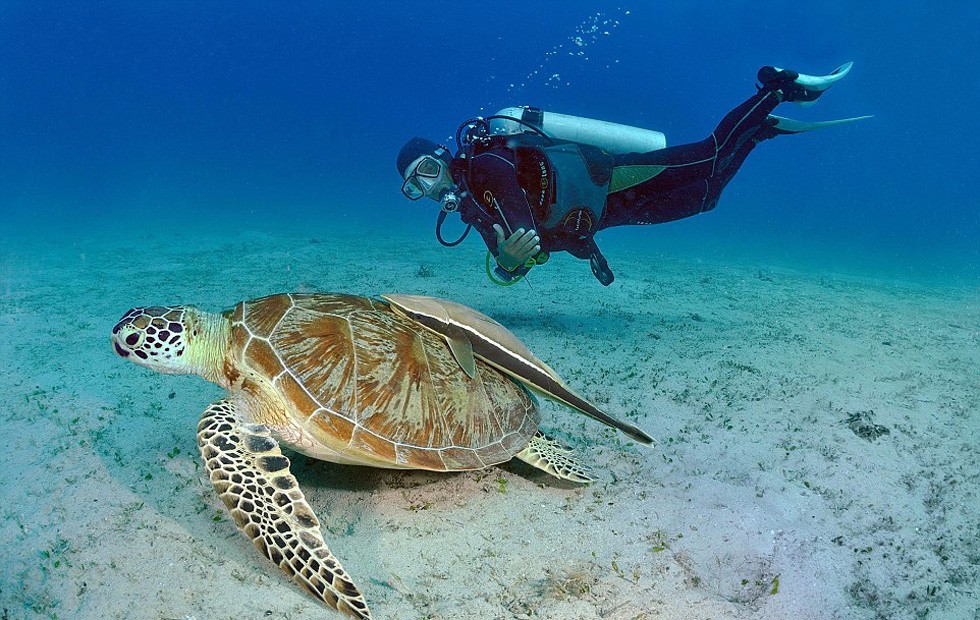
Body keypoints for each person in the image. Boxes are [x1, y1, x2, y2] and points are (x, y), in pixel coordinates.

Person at [397, 63, 868, 286]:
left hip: (614, 178)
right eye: (416, 184)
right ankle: (761, 130)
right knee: (705, 197)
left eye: (429, 169)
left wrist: (516, 241)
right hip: (607, 213)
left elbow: (514, 206)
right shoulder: (472, 209)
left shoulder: (485, 163)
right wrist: (508, 259)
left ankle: (776, 89)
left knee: (708, 154)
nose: (431, 183)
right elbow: (510, 267)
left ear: (444, 155)